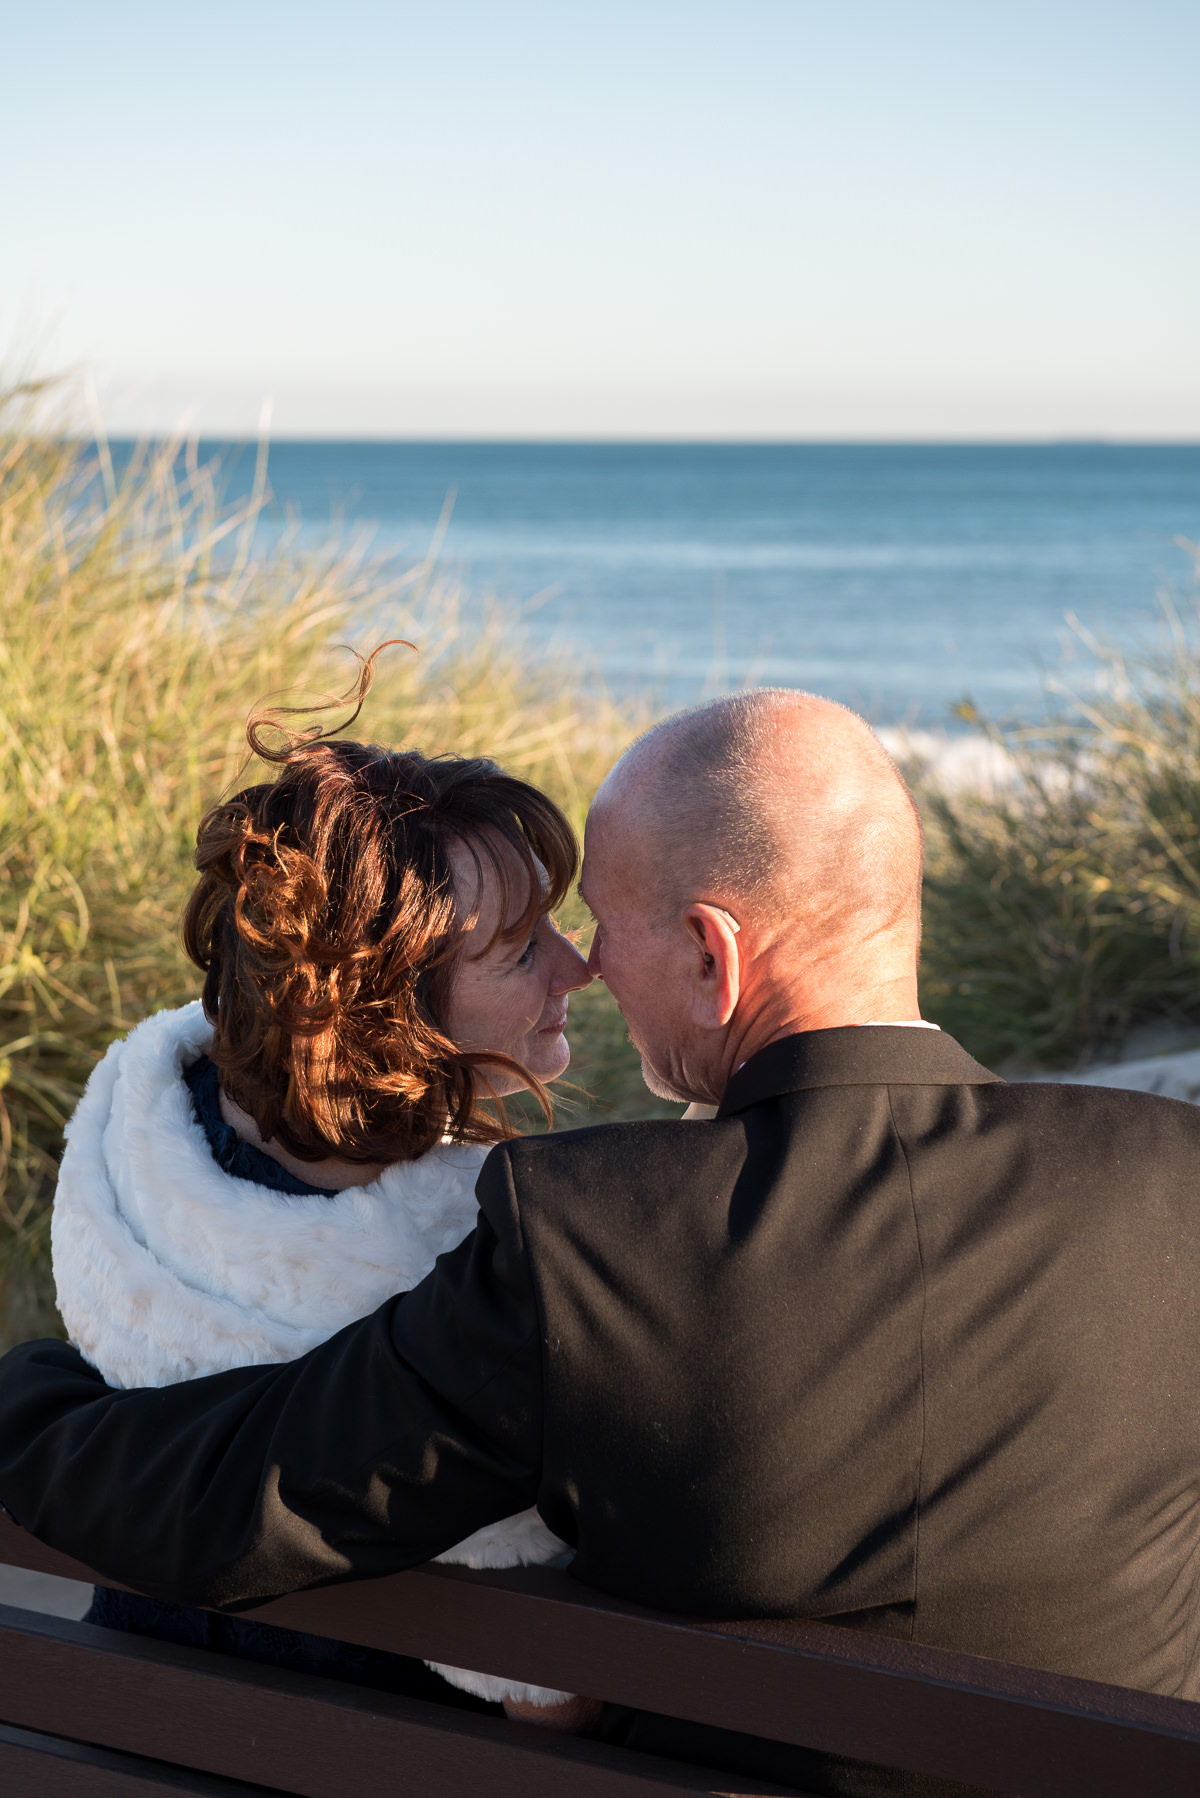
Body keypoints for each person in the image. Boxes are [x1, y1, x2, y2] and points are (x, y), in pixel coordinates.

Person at [4, 687, 1200, 1798]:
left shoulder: (594, 1234)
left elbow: (250, 1499)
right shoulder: (1172, 1179)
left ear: (711, 957)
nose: (589, 964)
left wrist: (38, 1397)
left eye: (606, 923)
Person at [48, 658, 594, 1727]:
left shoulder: (142, 1158)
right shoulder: (489, 1273)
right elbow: (557, 1699)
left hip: (117, 1736)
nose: (581, 967)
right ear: (392, 1012)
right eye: (526, 949)